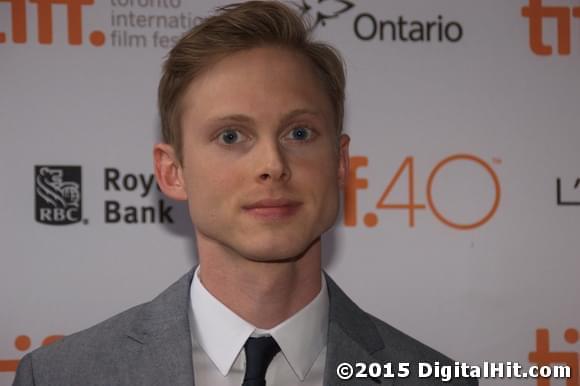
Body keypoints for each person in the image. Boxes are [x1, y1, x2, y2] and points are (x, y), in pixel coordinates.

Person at [13, 2, 477, 385]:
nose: (272, 165)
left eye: (298, 132)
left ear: (339, 162)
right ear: (173, 172)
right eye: (232, 136)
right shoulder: (59, 376)